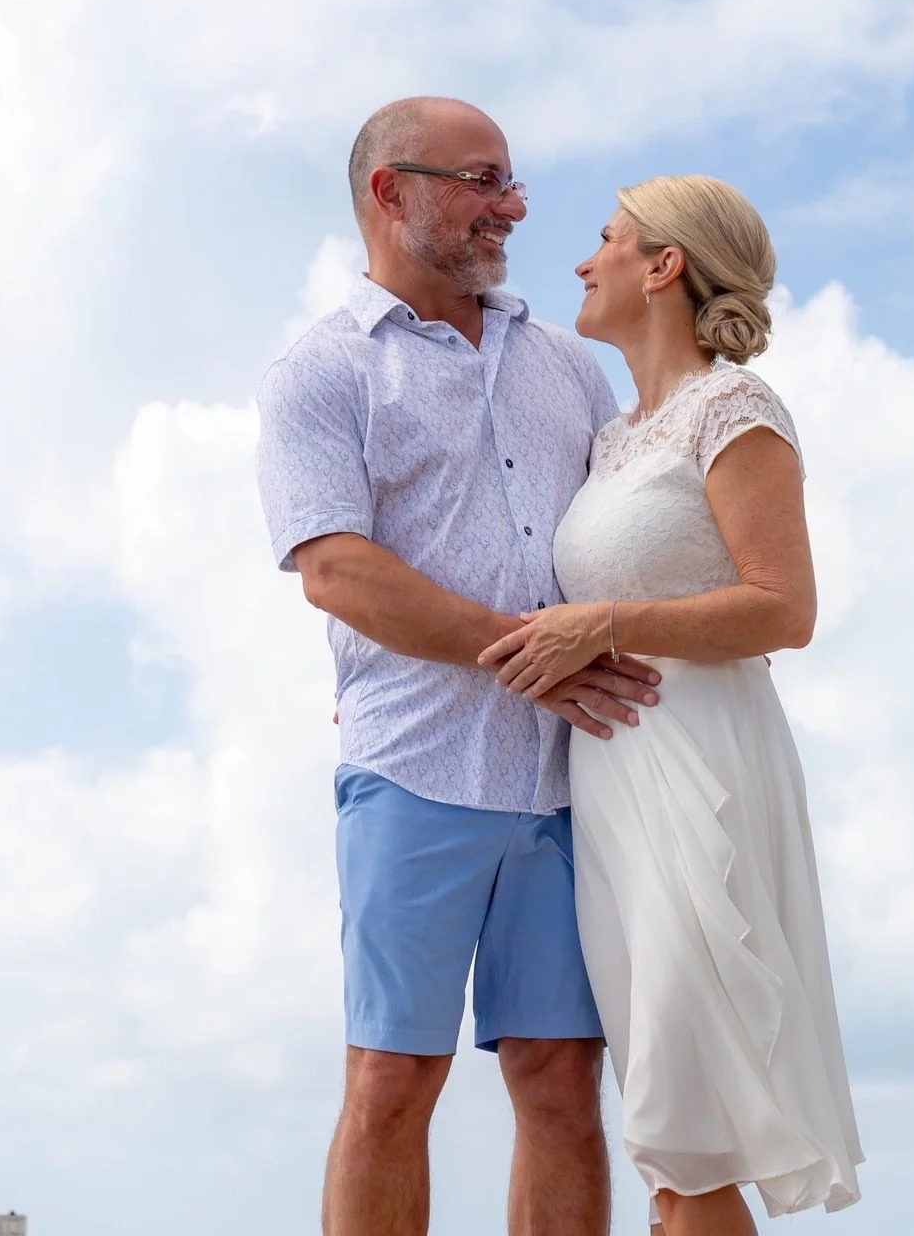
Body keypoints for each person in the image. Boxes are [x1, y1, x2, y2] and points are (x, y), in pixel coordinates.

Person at [254, 96, 661, 1236]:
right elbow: (337, 571)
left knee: (560, 1082)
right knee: (393, 1085)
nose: (516, 205)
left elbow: (624, 527)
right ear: (394, 192)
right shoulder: (320, 374)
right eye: (484, 180)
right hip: (415, 773)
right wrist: (533, 658)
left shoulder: (566, 365)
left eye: (512, 181)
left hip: (579, 783)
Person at [478, 175, 865, 1234]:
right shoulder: (610, 440)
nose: (580, 260)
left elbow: (784, 609)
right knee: (667, 1131)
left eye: (605, 239)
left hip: (703, 773)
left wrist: (605, 622)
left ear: (665, 267)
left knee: (686, 1123)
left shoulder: (735, 409)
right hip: (612, 787)